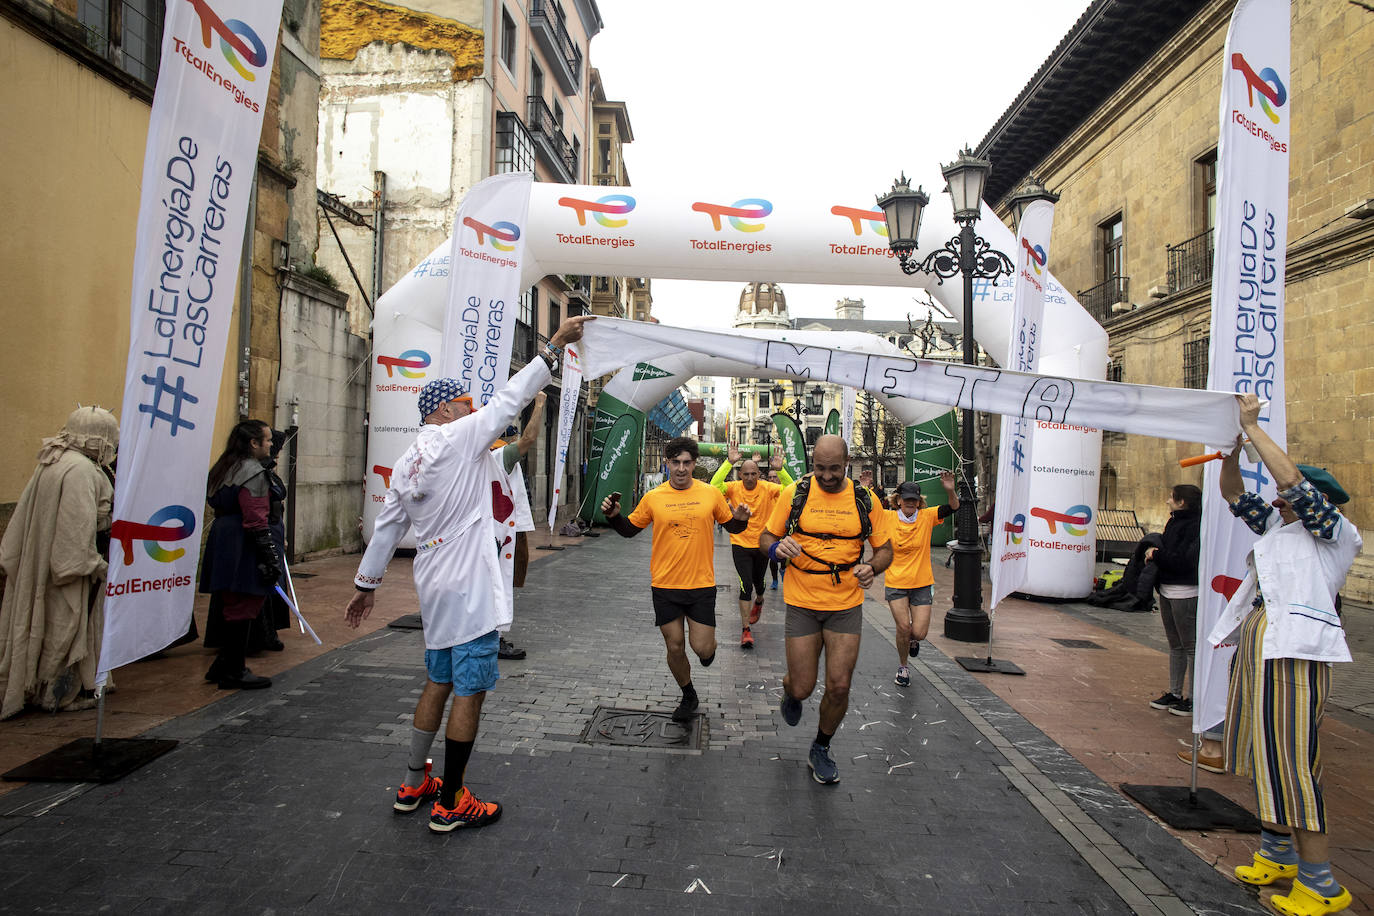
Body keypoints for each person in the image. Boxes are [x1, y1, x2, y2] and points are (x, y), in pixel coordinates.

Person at [344, 315, 590, 833]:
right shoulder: (457, 438)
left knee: (437, 678)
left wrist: (366, 587)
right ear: (444, 408)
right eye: (464, 402)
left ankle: (415, 782)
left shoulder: (408, 458)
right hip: (469, 585)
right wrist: (554, 345)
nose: (473, 408)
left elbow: (387, 528)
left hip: (432, 581)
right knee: (469, 689)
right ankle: (453, 800)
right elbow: (506, 402)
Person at [1206, 393, 1362, 915]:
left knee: (1293, 760)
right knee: (1259, 750)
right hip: (1260, 642)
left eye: (1286, 496)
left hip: (1295, 650)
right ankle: (1277, 853)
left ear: (1316, 498)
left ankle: (1321, 883)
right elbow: (1233, 494)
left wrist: (1253, 429)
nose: (1276, 501)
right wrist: (1231, 452)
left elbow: (1292, 482)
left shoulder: (1335, 533)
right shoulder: (1280, 528)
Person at [760, 435, 892, 785]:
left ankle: (821, 747)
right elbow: (765, 538)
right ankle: (790, 690)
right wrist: (777, 551)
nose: (827, 475)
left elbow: (885, 550)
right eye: (820, 468)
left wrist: (872, 567)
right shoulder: (796, 494)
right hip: (802, 601)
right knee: (803, 687)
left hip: (845, 604)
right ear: (812, 463)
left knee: (839, 686)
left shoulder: (865, 499)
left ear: (847, 463)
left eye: (835, 468)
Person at [600, 437, 750, 721]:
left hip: (701, 585)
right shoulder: (654, 497)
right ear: (667, 463)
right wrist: (613, 516)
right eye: (675, 463)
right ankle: (688, 694)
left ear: (694, 464)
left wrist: (741, 518)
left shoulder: (711, 494)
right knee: (675, 646)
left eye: (687, 463)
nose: (681, 469)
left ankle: (708, 653)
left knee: (702, 648)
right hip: (665, 585)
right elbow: (630, 530)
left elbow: (733, 527)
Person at [0, 407, 120, 719]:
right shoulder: (79, 470)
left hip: (45, 562)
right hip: (69, 567)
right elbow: (75, 526)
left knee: (50, 624)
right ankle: (58, 693)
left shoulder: (54, 461)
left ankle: (52, 685)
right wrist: (90, 563)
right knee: (65, 626)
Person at [199, 420, 282, 691]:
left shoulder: (224, 467)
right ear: (253, 443)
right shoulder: (251, 472)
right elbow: (256, 518)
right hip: (242, 542)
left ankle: (224, 663)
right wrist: (270, 558)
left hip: (224, 537)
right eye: (267, 440)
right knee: (244, 603)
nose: (271, 444)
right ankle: (234, 670)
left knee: (232, 602)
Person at [710, 447, 792, 648]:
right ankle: (745, 630)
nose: (749, 478)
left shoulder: (767, 488)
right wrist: (728, 462)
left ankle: (761, 600)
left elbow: (792, 490)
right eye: (745, 474)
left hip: (762, 544)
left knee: (759, 583)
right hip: (740, 543)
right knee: (745, 585)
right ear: (740, 475)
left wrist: (781, 470)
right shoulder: (733, 487)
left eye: (753, 474)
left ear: (759, 474)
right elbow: (713, 487)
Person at [884, 474, 957, 687]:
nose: (910, 503)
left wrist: (950, 490)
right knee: (904, 627)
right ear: (898, 500)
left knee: (919, 633)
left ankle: (913, 641)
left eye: (913, 500)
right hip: (896, 582)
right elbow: (866, 508)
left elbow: (953, 507)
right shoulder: (888, 518)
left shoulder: (926, 517)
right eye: (905, 499)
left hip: (922, 583)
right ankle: (903, 667)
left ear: (919, 502)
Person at [1145, 484, 1201, 718]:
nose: (1168, 501)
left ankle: (1194, 698)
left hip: (1185, 591)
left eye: (1171, 497)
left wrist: (1156, 554)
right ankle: (1175, 693)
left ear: (1182, 502)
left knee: (1191, 646)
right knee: (1175, 645)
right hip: (1167, 589)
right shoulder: (1174, 521)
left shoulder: (1195, 525)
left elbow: (1184, 560)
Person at [765, 469, 785, 590]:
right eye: (770, 477)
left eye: (774, 477)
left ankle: (783, 569)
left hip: (783, 528)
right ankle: (775, 580)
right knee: (772, 556)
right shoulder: (767, 491)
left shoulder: (784, 491)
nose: (772, 479)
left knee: (783, 555)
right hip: (771, 529)